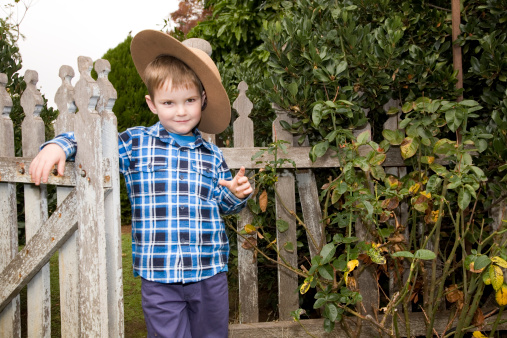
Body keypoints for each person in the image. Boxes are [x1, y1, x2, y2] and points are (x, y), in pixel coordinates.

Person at [29, 30, 252, 338]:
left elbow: (221, 203)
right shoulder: (136, 142)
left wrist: (236, 195)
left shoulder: (212, 154)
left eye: (189, 100)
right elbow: (95, 144)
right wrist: (60, 145)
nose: (181, 110)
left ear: (202, 100)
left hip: (209, 270)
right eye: (169, 102)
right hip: (159, 274)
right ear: (152, 104)